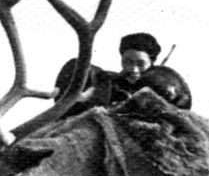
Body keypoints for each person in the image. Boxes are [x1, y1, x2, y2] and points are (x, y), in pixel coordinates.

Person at [53, 31, 193, 115]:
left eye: (140, 64)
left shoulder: (163, 88)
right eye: (128, 62)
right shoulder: (106, 81)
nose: (133, 69)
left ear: (152, 63)